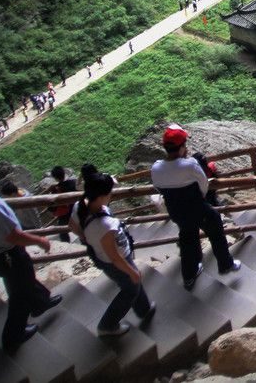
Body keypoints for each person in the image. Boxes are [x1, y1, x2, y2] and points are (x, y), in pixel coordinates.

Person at [0, 153, 61, 350]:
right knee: (19, 292)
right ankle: (13, 336)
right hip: (4, 252)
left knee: (21, 278)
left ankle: (40, 302)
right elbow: (12, 236)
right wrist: (39, 240)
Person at [151, 124, 240, 290]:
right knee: (215, 228)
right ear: (182, 146)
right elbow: (204, 186)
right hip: (197, 208)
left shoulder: (156, 168)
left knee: (188, 239)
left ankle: (189, 276)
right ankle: (225, 263)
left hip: (176, 211)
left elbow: (158, 187)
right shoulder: (190, 165)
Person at [76, 174, 155, 336]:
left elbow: (72, 224)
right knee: (130, 288)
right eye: (109, 193)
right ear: (101, 196)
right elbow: (114, 256)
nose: (111, 195)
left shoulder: (80, 206)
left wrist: (87, 238)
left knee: (133, 283)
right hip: (115, 262)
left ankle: (144, 309)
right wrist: (131, 270)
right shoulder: (104, 226)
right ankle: (107, 325)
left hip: (105, 257)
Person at [48, 165, 77, 242]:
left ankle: (66, 246)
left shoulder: (56, 188)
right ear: (64, 173)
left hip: (65, 214)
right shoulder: (74, 183)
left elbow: (52, 204)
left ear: (55, 177)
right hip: (77, 209)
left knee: (62, 231)